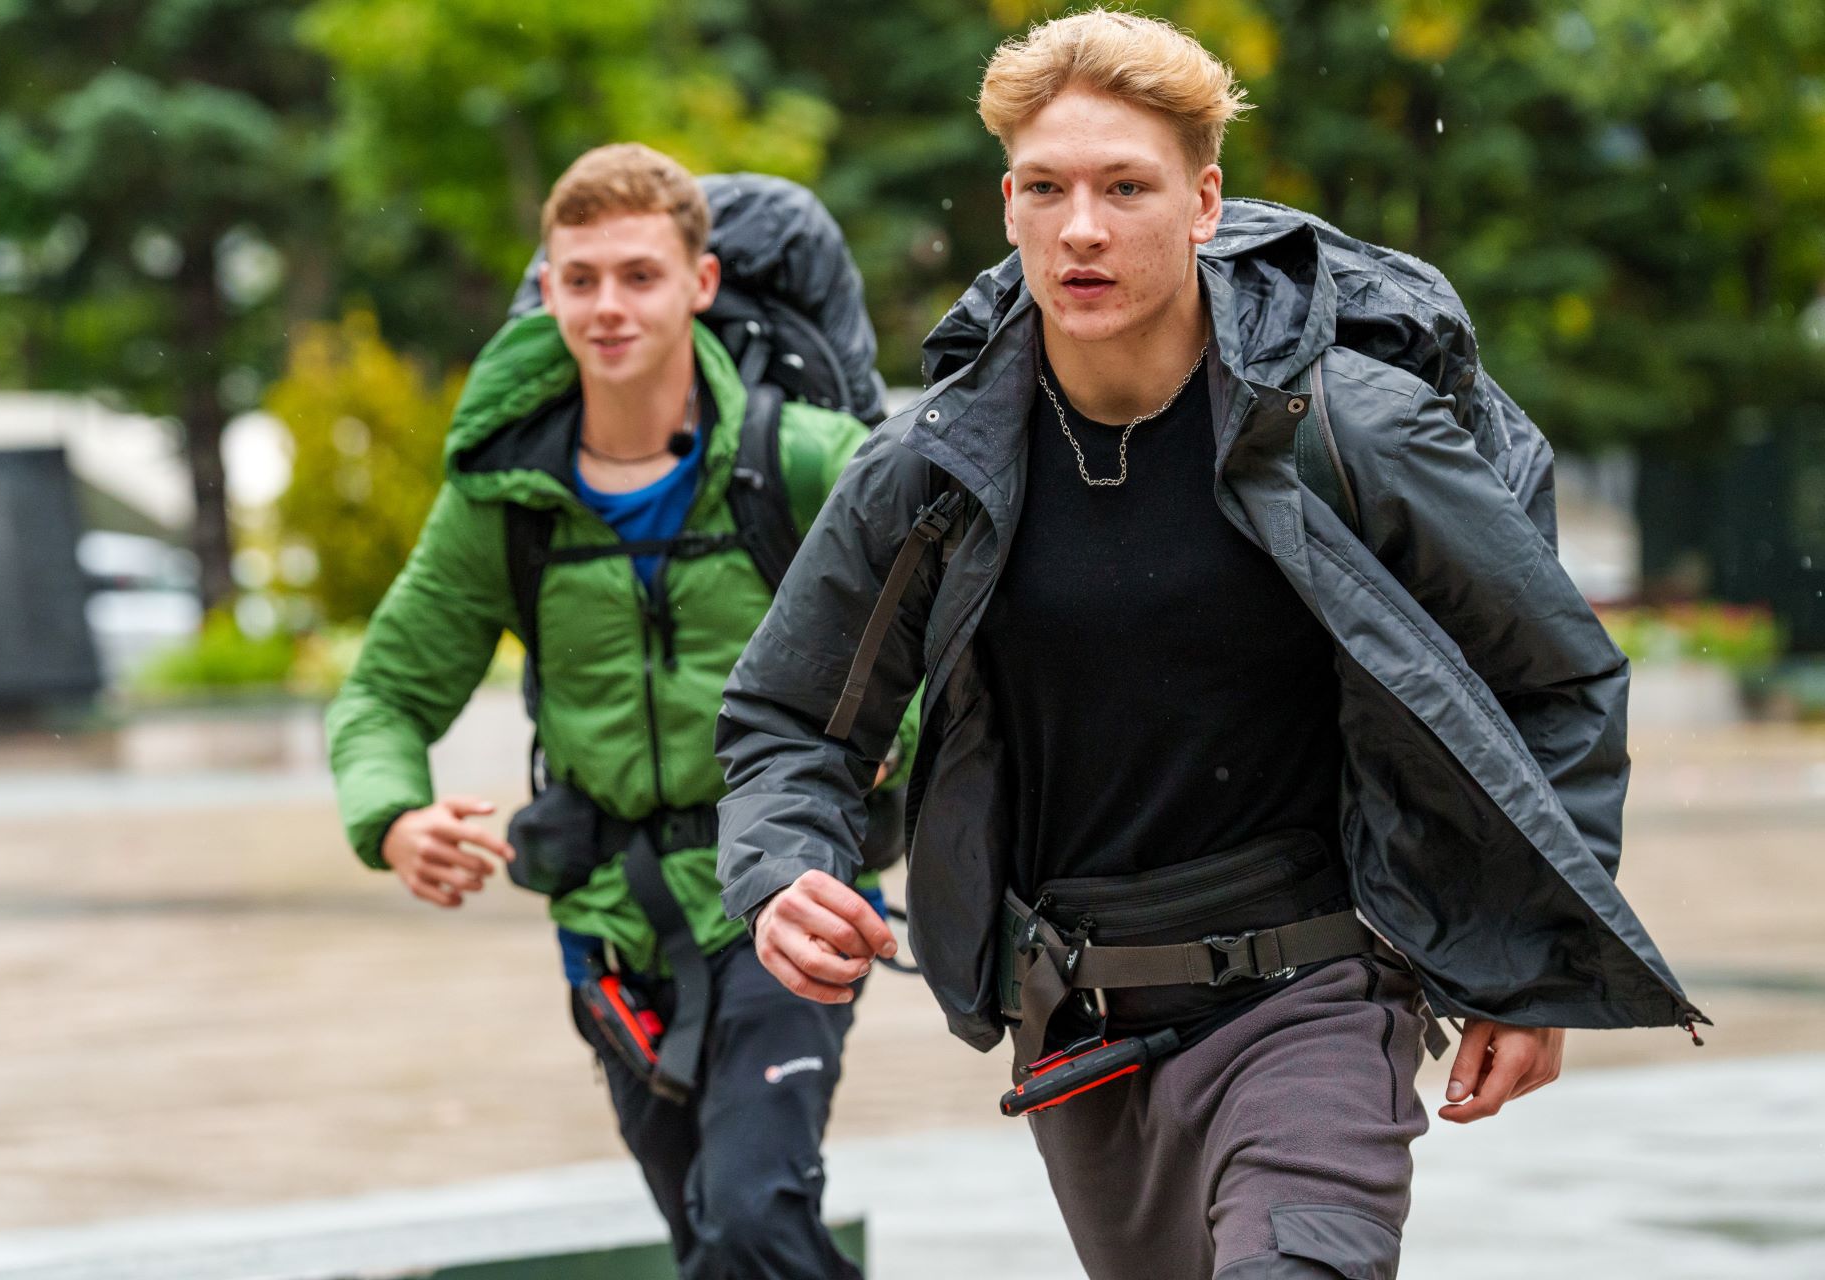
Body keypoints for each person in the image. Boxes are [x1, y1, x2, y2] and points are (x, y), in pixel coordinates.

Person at [714, 11, 1706, 1278]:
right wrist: (782, 868)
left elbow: (1552, 675)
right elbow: (789, 719)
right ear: (1004, 204)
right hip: (1078, 1022)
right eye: (1046, 189)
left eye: (1126, 187)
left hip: (1318, 993)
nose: (1082, 228)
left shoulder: (1351, 431)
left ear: (1203, 202)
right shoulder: (933, 467)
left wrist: (1535, 959)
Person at [326, 143, 903, 1280]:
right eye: (579, 277)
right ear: (545, 291)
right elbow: (386, 691)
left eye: (638, 274)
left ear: (700, 281)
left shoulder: (805, 461)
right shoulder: (506, 498)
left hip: (784, 893)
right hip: (608, 918)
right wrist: (393, 817)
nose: (607, 305)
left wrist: (896, 743)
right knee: (710, 1235)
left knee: (750, 1216)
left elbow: (945, 642)